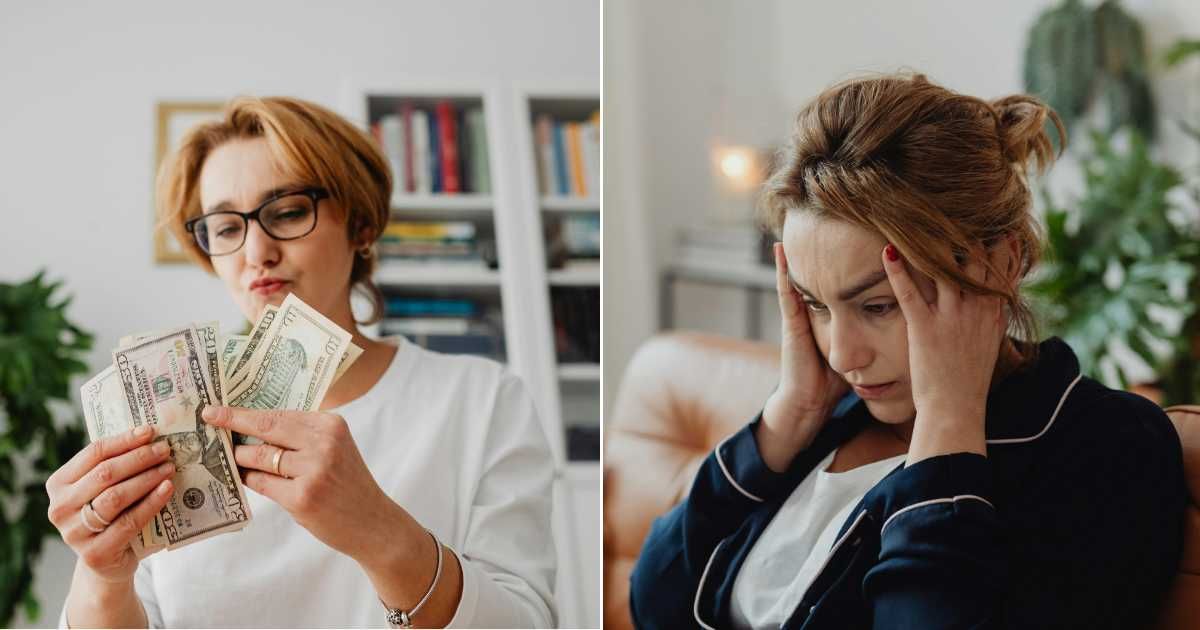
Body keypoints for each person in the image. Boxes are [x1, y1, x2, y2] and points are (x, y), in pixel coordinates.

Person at [629, 73, 1186, 629]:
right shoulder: (830, 418)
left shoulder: (1106, 446)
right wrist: (787, 418)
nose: (843, 355)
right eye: (816, 304)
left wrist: (949, 423)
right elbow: (653, 602)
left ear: (1000, 264)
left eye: (877, 305)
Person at [44, 96, 557, 628]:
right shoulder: (163, 422)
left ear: (360, 225)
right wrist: (103, 578)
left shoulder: (483, 399)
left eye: (288, 212)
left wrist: (379, 530)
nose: (256, 253)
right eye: (226, 228)